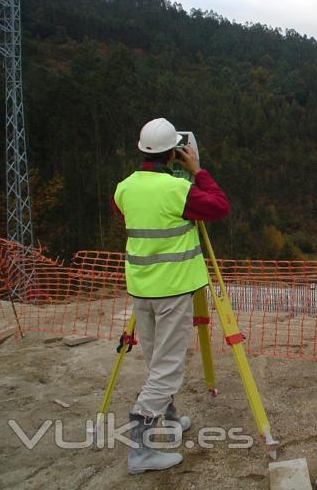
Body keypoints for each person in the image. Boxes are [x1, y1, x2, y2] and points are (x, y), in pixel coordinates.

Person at [112, 117, 230, 474]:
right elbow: (219, 206)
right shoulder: (177, 192)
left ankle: (171, 417)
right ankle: (141, 451)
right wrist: (198, 170)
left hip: (141, 289)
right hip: (173, 289)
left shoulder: (124, 188)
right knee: (167, 366)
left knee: (155, 359)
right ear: (174, 153)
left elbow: (128, 216)